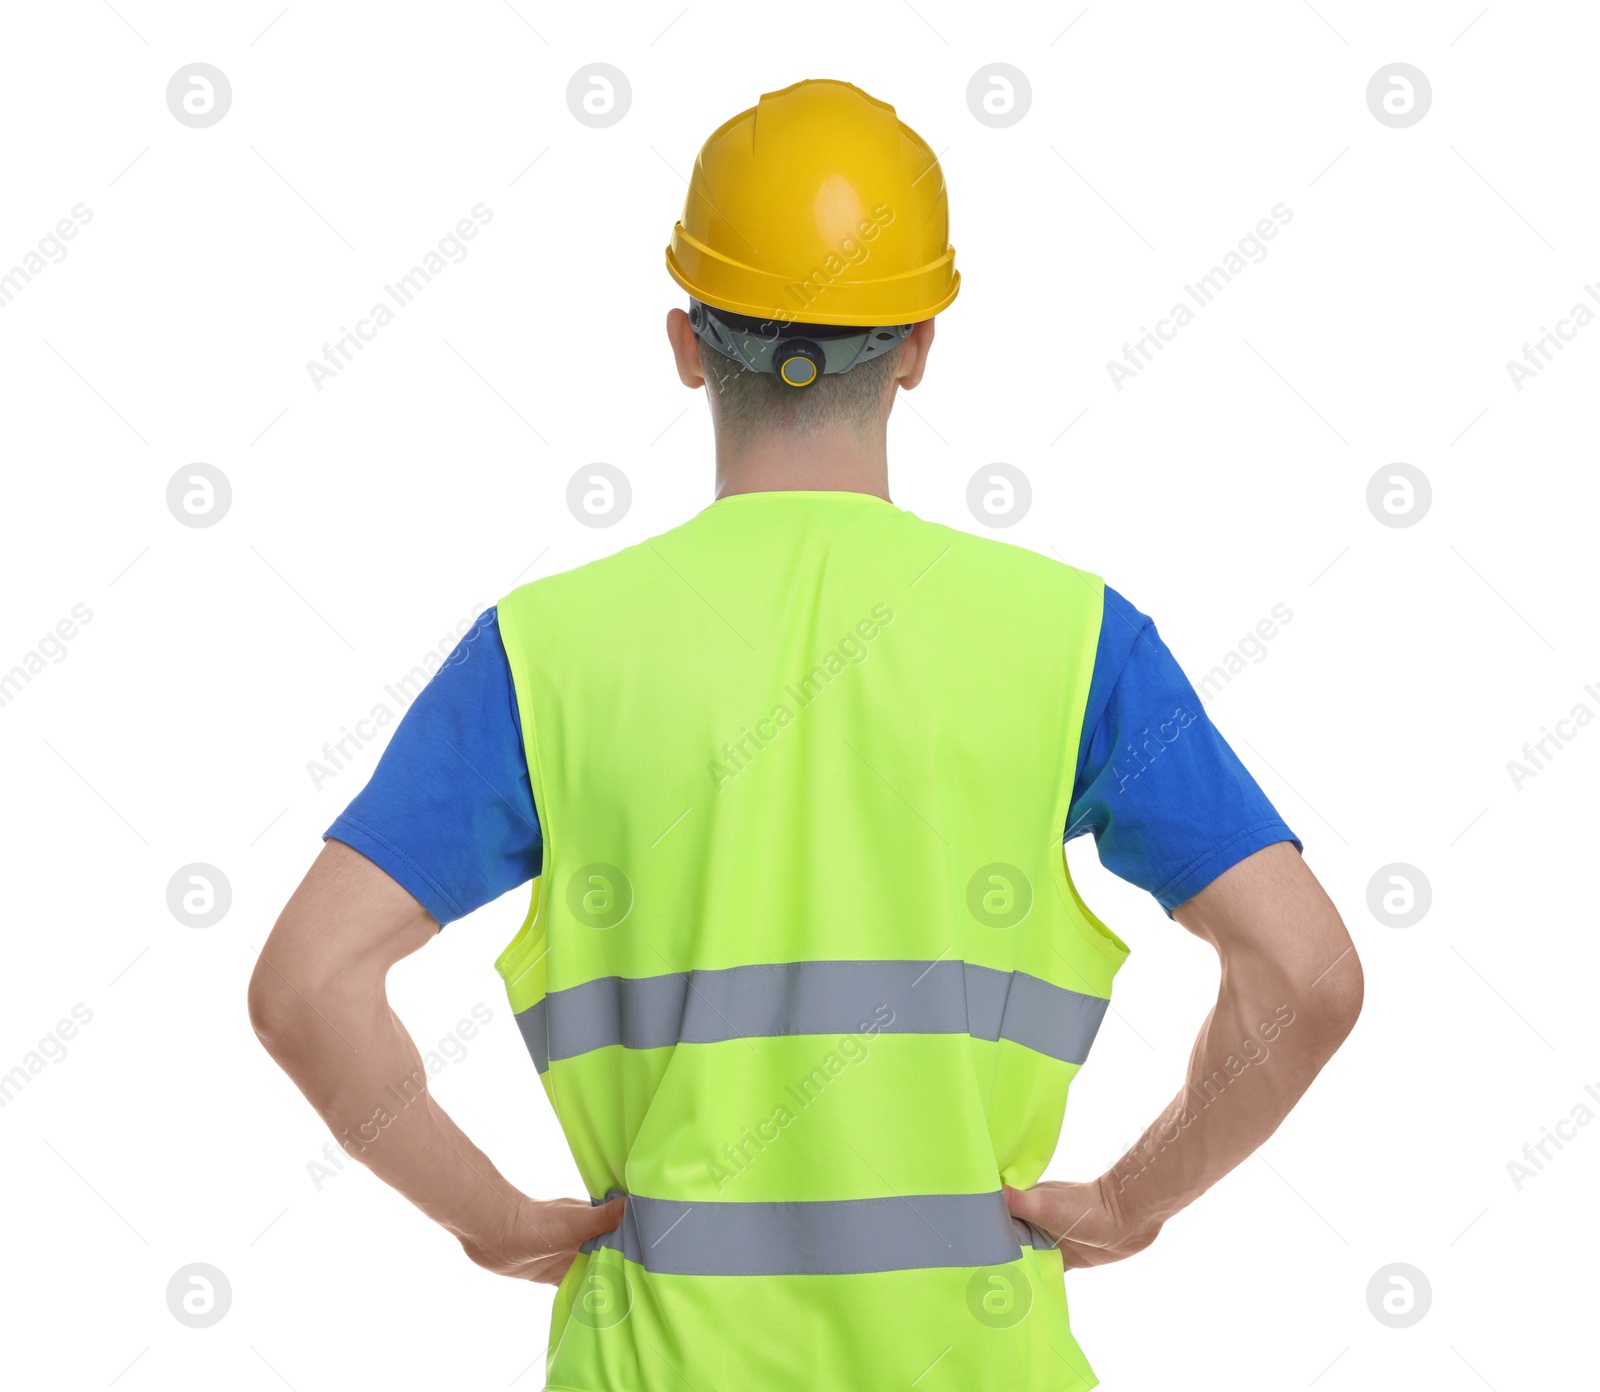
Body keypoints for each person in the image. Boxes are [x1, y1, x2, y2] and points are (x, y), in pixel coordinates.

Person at [250, 78, 1362, 1391]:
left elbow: (307, 987)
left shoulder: (544, 653)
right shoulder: (1072, 638)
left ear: (682, 338)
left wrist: (492, 1221)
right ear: (919, 345)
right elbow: (1308, 979)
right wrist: (1127, 1203)